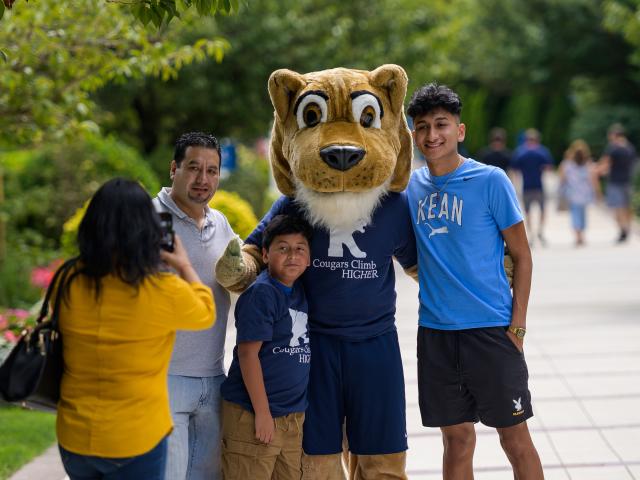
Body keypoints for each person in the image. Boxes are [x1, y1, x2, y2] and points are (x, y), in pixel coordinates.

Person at [406, 83, 544, 480]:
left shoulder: (491, 181)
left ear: (460, 131)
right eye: (422, 127)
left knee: (514, 439)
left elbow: (522, 255)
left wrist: (517, 324)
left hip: (491, 331)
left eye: (441, 125)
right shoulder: (411, 188)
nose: (432, 135)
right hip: (436, 335)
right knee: (457, 440)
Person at [56, 178, 215, 480]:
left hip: (75, 437)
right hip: (135, 438)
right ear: (147, 228)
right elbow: (205, 313)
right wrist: (184, 265)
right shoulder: (160, 288)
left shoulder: (69, 279)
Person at [154, 132, 237, 480]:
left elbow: (242, 273)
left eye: (212, 171)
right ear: (174, 169)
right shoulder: (149, 216)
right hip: (164, 378)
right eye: (193, 168)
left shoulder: (221, 223)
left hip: (214, 378)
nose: (203, 179)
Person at [220, 214, 312, 479]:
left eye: (299, 249)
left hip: (290, 419)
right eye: (282, 248)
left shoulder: (297, 290)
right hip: (253, 415)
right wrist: (262, 413)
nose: (292, 255)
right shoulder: (262, 293)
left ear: (308, 258)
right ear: (265, 254)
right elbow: (249, 355)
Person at [511, 128, 554, 246]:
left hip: (526, 186)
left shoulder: (520, 152)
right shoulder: (542, 152)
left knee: (528, 211)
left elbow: (514, 170)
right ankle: (540, 231)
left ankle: (531, 234)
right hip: (539, 185)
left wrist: (514, 184)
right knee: (542, 210)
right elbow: (549, 167)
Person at [598, 123, 637, 243]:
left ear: (614, 135)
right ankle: (628, 228)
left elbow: (605, 164)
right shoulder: (630, 148)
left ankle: (622, 230)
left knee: (617, 207)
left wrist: (597, 171)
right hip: (627, 180)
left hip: (615, 181)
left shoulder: (613, 148)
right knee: (627, 207)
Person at [559, 139, 600, 246]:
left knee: (575, 214)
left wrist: (560, 191)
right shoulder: (589, 165)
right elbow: (593, 180)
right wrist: (598, 193)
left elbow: (562, 179)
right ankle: (581, 234)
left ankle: (578, 235)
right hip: (585, 194)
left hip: (572, 194)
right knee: (582, 214)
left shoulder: (567, 165)